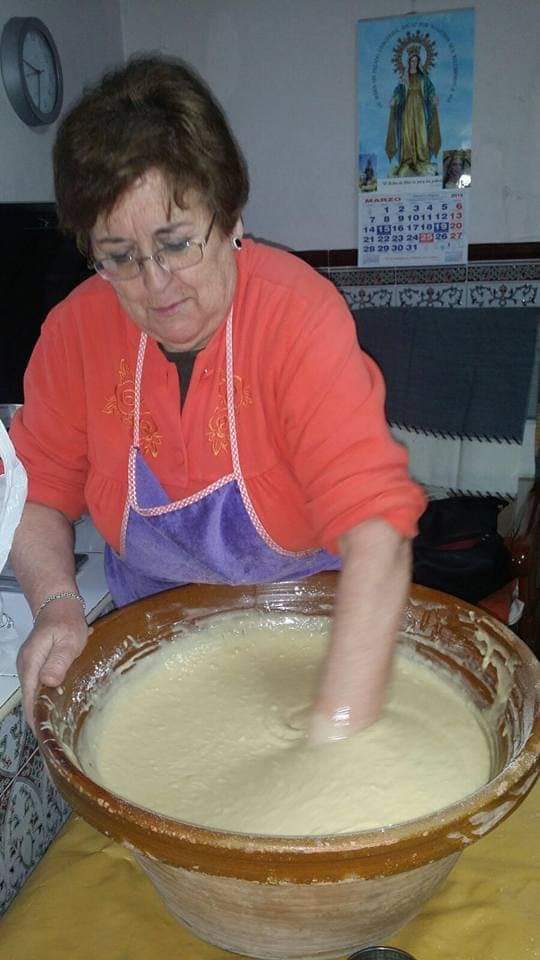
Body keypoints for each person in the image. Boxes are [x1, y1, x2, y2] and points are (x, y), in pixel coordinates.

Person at [10, 56, 425, 743]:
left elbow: (375, 523)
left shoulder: (296, 318)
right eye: (119, 256)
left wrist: (337, 726)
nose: (156, 284)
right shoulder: (76, 333)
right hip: (155, 650)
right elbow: (35, 492)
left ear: (229, 215)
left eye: (176, 244)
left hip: (315, 636)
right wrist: (56, 604)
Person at [385, 47, 441, 177]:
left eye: (416, 60)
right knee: (407, 132)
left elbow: (430, 89)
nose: (414, 63)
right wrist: (395, 99)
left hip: (420, 109)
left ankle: (422, 159)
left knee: (421, 133)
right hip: (407, 108)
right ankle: (408, 159)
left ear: (418, 62)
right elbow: (399, 91)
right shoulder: (404, 78)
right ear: (408, 62)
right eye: (412, 60)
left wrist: (433, 97)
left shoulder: (423, 78)